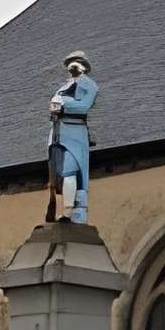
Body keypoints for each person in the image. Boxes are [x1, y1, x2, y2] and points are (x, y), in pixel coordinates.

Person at [47, 52, 97, 222]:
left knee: (71, 169)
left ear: (83, 67)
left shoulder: (89, 85)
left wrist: (63, 106)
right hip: (59, 133)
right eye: (70, 65)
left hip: (75, 133)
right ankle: (67, 210)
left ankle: (70, 211)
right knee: (62, 172)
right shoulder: (63, 88)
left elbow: (84, 106)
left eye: (76, 64)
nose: (72, 68)